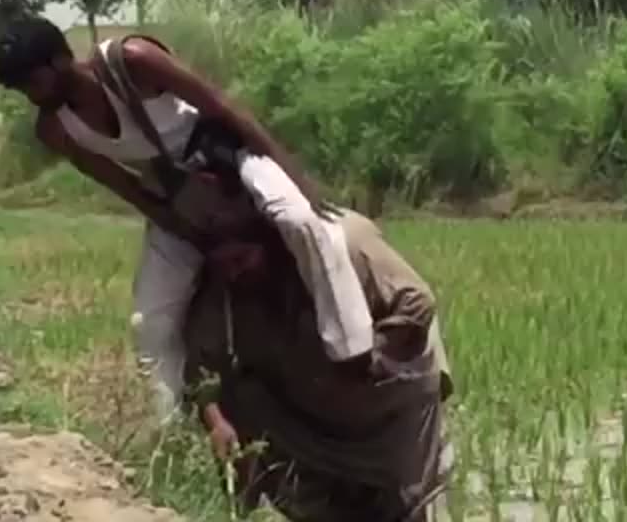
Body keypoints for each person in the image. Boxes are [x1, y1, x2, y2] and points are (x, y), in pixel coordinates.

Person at [0, 18, 374, 417]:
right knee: (149, 322)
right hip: (176, 194)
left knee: (299, 220)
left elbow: (224, 109)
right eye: (20, 89)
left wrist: (295, 177)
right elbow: (131, 190)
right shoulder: (55, 128)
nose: (30, 96)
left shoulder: (132, 61)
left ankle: (353, 348)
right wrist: (199, 237)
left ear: (59, 60)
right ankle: (168, 423)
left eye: (32, 82)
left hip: (225, 157)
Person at [185, 209, 453, 522]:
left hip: (387, 409)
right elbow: (202, 365)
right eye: (224, 265)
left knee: (409, 508)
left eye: (242, 260)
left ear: (271, 246)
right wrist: (217, 422)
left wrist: (367, 360)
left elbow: (417, 303)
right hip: (311, 416)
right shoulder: (226, 286)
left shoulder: (343, 241)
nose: (233, 273)